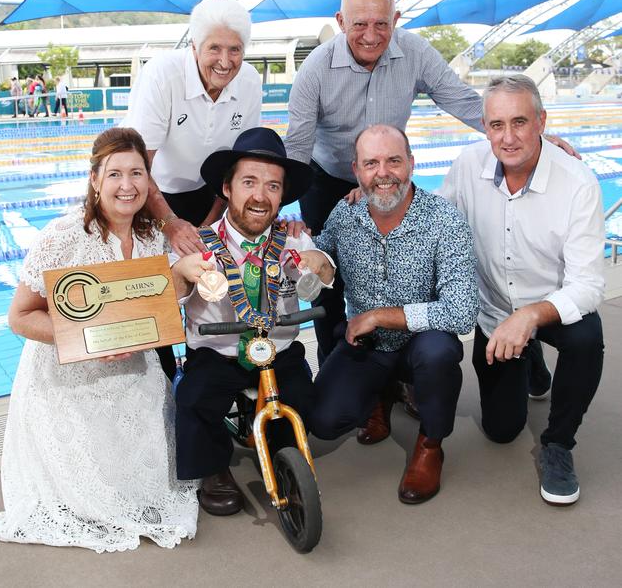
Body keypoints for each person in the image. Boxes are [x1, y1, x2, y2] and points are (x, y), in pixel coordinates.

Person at [285, 0, 573, 372]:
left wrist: (526, 136)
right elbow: (297, 148)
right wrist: (273, 210)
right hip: (329, 177)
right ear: (340, 21)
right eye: (359, 25)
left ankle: (408, 371)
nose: (371, 36)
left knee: (410, 274)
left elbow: (460, 100)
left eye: (382, 24)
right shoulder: (316, 69)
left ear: (396, 19)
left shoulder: (415, 52)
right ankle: (341, 369)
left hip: (390, 176)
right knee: (325, 284)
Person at [0, 127, 199, 552]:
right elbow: (19, 317)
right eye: (115, 174)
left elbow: (154, 307)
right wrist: (90, 338)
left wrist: (186, 278)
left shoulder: (150, 237)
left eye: (137, 173)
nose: (127, 186)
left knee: (152, 486)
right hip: (68, 378)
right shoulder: (62, 237)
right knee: (88, 495)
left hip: (131, 367)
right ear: (94, 180)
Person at [439, 75, 605, 505]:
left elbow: (587, 284)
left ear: (542, 122)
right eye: (497, 125)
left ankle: (558, 444)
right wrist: (371, 194)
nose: (508, 137)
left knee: (587, 337)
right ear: (484, 126)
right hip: (495, 311)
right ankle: (530, 358)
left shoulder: (578, 182)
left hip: (549, 306)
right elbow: (433, 222)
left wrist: (530, 316)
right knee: (501, 430)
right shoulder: (466, 166)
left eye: (520, 122)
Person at [308, 124, 479, 504]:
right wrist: (296, 240)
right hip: (369, 346)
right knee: (323, 420)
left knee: (438, 353)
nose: (383, 173)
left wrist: (380, 315)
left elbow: (463, 312)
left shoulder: (444, 221)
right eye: (371, 163)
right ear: (357, 171)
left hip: (421, 344)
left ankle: (430, 444)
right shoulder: (345, 213)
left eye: (393, 161)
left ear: (412, 165)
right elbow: (319, 255)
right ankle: (380, 398)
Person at [170, 127, 335, 516]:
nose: (260, 196)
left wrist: (319, 262)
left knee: (305, 399)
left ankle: (282, 454)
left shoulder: (293, 240)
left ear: (282, 195)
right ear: (227, 188)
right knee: (195, 399)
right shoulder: (199, 242)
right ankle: (213, 470)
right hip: (218, 350)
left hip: (277, 349)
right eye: (249, 182)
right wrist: (181, 272)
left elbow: (324, 276)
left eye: (273, 186)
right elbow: (171, 296)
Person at [123, 0, 262, 257]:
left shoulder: (250, 82)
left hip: (206, 190)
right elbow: (138, 167)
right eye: (214, 49)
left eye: (235, 50)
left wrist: (210, 224)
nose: (225, 61)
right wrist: (170, 224)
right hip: (149, 187)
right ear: (194, 47)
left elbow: (239, 165)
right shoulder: (162, 75)